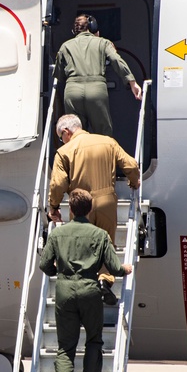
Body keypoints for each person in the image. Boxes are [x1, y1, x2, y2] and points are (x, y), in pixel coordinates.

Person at [39, 189, 132, 372]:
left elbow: (44, 264)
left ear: (71, 209)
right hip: (90, 291)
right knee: (93, 341)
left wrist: (58, 272)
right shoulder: (99, 235)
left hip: (65, 291)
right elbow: (114, 266)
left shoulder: (58, 234)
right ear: (90, 209)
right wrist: (125, 269)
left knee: (65, 348)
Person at [49, 114, 139, 306]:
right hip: (107, 201)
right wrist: (134, 181)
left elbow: (58, 183)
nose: (61, 140)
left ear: (66, 132)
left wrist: (54, 207)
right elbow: (130, 164)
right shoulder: (107, 142)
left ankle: (87, 288)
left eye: (60, 136)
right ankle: (104, 281)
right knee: (107, 244)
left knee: (84, 248)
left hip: (81, 205)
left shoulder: (64, 151)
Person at [54, 14, 141, 136]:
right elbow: (116, 60)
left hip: (72, 91)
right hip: (96, 91)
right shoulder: (103, 43)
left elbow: (59, 74)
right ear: (93, 28)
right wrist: (132, 82)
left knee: (75, 134)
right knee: (103, 133)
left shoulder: (65, 46)